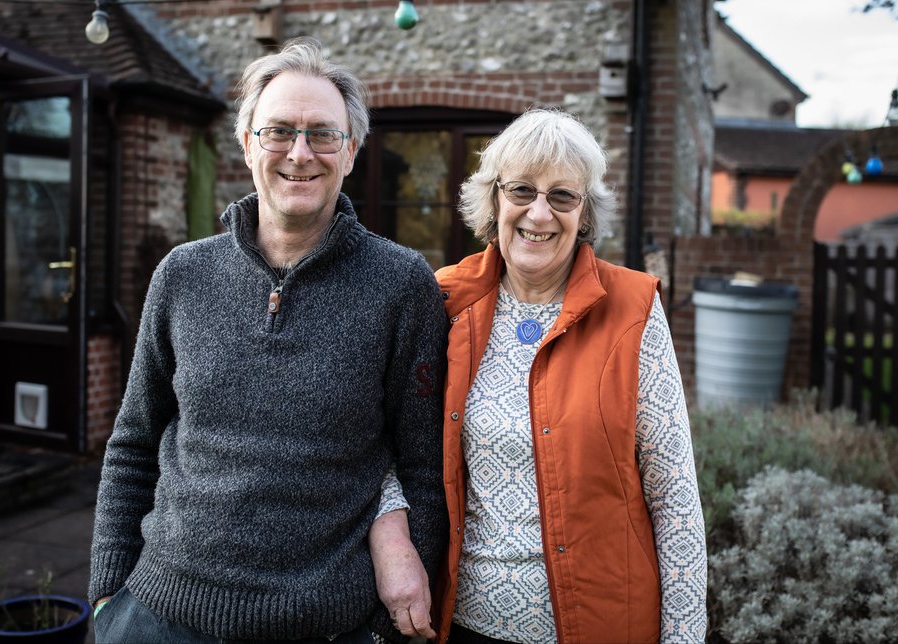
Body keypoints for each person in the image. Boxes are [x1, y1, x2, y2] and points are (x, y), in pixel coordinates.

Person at [88, 38, 447, 643]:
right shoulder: (182, 274)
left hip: (328, 624)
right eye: (278, 131)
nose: (299, 153)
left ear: (352, 151)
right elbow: (133, 440)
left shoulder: (401, 283)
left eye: (322, 134)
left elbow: (423, 464)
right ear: (247, 142)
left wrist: (389, 629)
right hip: (157, 614)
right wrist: (105, 595)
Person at [382, 109, 708, 642]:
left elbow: (673, 497)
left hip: (603, 623)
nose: (539, 213)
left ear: (584, 212)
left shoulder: (632, 310)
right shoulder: (443, 299)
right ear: (494, 200)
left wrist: (685, 635)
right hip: (462, 627)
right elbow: (389, 450)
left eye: (562, 196)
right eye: (522, 191)